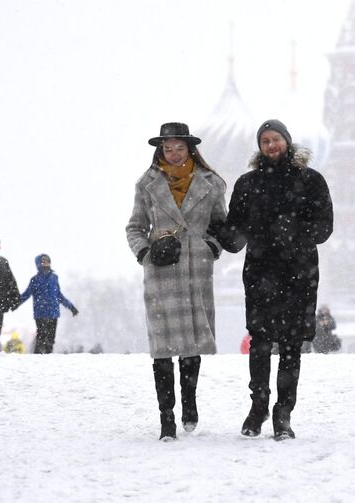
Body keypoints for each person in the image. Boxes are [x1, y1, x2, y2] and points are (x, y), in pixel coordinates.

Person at [209, 119, 333, 440]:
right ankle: (259, 404)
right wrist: (220, 230)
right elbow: (236, 235)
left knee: (291, 347)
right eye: (265, 141)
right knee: (260, 344)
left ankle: (284, 413)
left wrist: (296, 229)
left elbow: (324, 227)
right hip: (261, 274)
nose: (271, 145)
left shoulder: (310, 181)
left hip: (298, 275)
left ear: (287, 142)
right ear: (260, 147)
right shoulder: (248, 184)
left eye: (276, 139)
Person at [126, 122, 228, 441]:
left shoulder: (211, 184)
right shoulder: (147, 184)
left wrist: (211, 247)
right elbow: (134, 227)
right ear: (160, 150)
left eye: (178, 148)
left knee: (192, 342)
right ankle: (166, 417)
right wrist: (146, 252)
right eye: (167, 148)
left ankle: (190, 402)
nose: (172, 154)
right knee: (162, 346)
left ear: (190, 149)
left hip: (196, 268)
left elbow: (221, 226)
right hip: (161, 269)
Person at [17, 254, 79, 354]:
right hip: (40, 313)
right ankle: (37, 358)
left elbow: (59, 295)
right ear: (38, 264)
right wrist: (15, 303)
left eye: (47, 261)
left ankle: (48, 359)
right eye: (43, 262)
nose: (46, 264)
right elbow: (27, 294)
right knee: (41, 338)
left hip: (53, 313)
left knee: (50, 339)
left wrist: (71, 307)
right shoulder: (35, 280)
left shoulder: (54, 278)